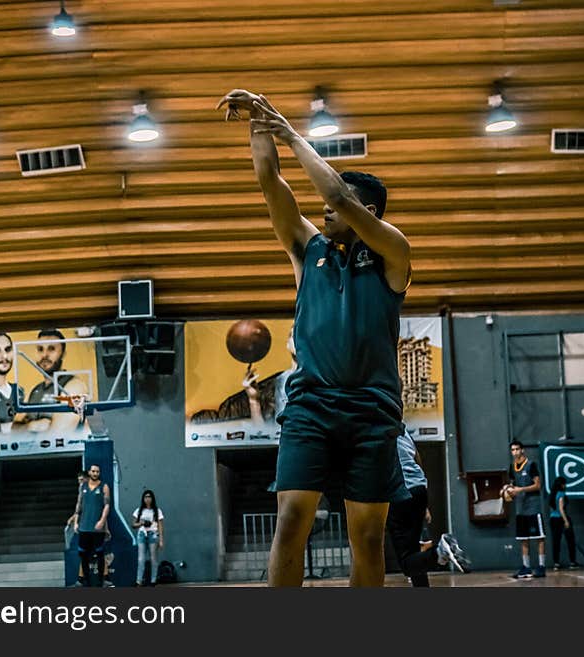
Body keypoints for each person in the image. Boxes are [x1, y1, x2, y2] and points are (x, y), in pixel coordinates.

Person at [217, 89, 412, 587]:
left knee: (367, 538)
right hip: (312, 405)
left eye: (338, 206)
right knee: (290, 523)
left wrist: (291, 132)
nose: (323, 213)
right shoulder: (309, 250)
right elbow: (270, 182)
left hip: (372, 410)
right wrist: (260, 123)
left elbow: (338, 197)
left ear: (368, 211)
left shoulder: (393, 252)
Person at [386, 432, 469, 586]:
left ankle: (440, 551)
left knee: (407, 563)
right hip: (419, 489)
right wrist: (425, 506)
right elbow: (417, 458)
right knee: (414, 553)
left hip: (399, 491)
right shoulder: (403, 431)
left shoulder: (375, 428)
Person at [16, 329, 89, 435]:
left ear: (63, 354)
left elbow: (58, 436)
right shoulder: (35, 390)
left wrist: (27, 429)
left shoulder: (74, 386)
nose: (45, 355)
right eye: (40, 349)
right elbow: (13, 431)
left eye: (51, 349)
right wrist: (30, 426)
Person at [507, 440, 546, 578]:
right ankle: (526, 567)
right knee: (523, 539)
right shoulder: (512, 467)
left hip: (533, 507)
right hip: (520, 508)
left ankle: (541, 566)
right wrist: (507, 491)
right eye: (513, 450)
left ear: (522, 450)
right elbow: (511, 485)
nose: (515, 452)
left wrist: (521, 489)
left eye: (517, 449)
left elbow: (538, 485)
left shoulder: (531, 465)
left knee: (539, 537)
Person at [73, 464, 110, 586]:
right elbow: (79, 505)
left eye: (97, 471)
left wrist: (102, 521)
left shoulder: (104, 486)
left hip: (97, 529)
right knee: (83, 555)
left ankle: (102, 581)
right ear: (89, 472)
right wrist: (76, 522)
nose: (95, 473)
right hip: (84, 527)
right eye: (93, 471)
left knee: (100, 555)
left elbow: (107, 506)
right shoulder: (82, 487)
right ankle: (86, 581)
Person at [132, 490, 164, 586]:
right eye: (145, 497)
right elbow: (133, 524)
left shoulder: (157, 511)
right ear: (143, 498)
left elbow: (160, 526)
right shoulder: (139, 510)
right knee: (141, 558)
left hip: (153, 534)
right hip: (142, 534)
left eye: (149, 497)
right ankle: (139, 581)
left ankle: (153, 580)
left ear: (152, 498)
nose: (147, 499)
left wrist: (161, 540)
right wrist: (141, 523)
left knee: (153, 558)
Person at [548, 476, 579, 571]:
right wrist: (566, 521)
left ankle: (556, 563)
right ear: (562, 485)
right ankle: (572, 562)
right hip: (561, 518)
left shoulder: (552, 495)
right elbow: (561, 509)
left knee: (556, 541)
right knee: (570, 540)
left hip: (553, 519)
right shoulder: (561, 494)